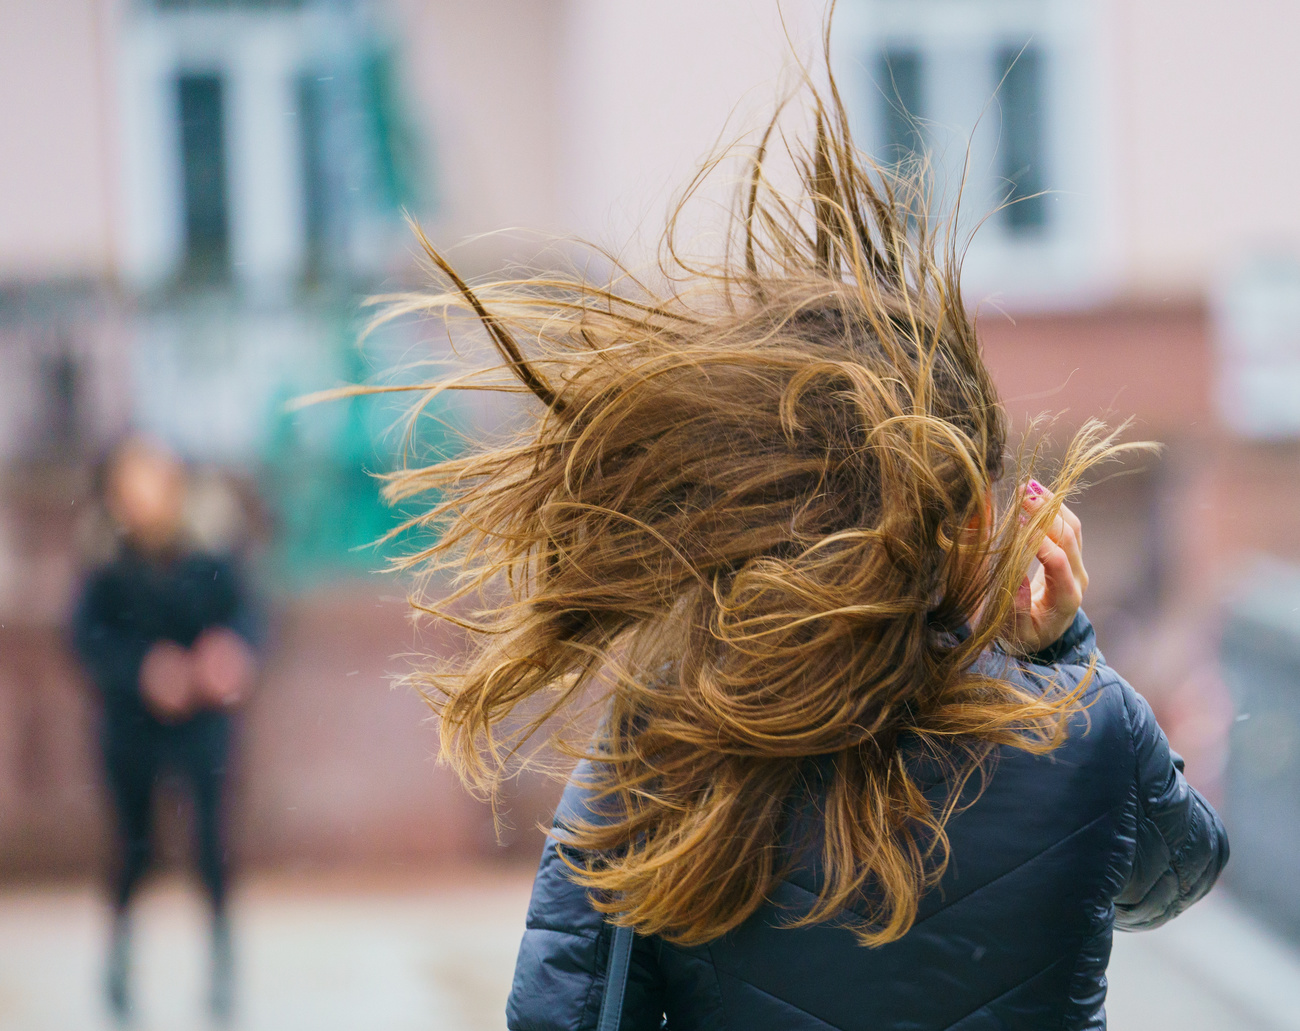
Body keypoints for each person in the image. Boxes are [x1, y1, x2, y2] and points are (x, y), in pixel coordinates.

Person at [381, 66, 1228, 1030]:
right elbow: (1177, 876)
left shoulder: (669, 739)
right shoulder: (1088, 729)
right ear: (980, 529)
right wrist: (1068, 658)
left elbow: (565, 1011)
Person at [72, 437, 258, 1023]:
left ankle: (223, 971)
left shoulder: (210, 548)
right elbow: (85, 639)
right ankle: (119, 967)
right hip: (130, 725)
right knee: (132, 848)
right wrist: (143, 671)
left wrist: (230, 654)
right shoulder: (105, 559)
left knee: (211, 845)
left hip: (203, 721)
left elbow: (248, 615)